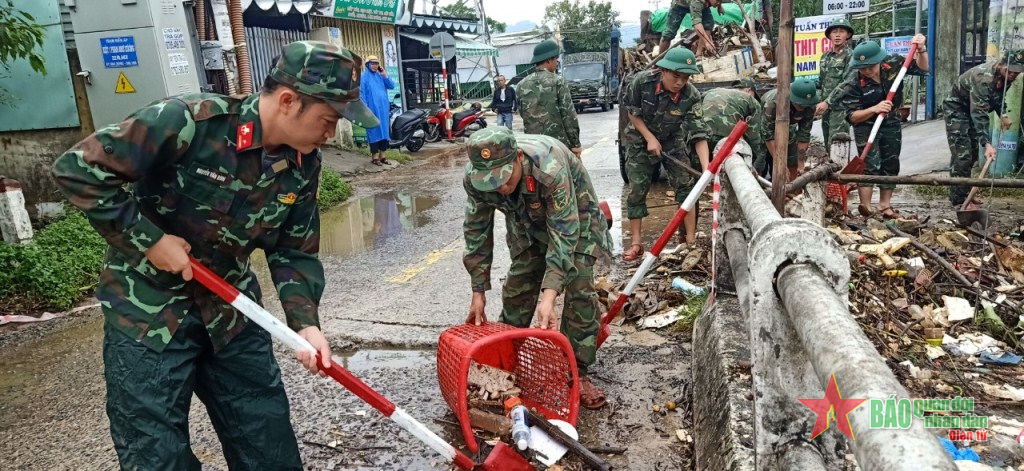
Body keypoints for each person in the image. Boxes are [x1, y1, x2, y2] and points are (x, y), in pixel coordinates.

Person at [50, 41, 379, 469]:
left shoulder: (303, 165)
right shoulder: (189, 122)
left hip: (231, 311)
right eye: (328, 120)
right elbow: (78, 169)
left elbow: (293, 250)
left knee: (268, 443)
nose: (330, 134)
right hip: (148, 313)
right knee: (155, 454)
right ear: (287, 101)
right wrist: (150, 240)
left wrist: (307, 325)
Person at [462, 127, 613, 410]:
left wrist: (549, 296)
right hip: (525, 221)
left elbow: (564, 233)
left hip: (576, 220)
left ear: (518, 157)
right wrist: (478, 290)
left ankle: (577, 371)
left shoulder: (549, 169)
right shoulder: (476, 179)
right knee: (518, 287)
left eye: (504, 178)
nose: (499, 188)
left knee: (579, 290)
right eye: (491, 183)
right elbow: (476, 231)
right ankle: (505, 361)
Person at [621, 47, 711, 262]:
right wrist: (649, 138)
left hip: (672, 139)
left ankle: (690, 241)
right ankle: (636, 244)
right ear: (663, 70)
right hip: (639, 139)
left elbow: (698, 133)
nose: (680, 82)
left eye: (685, 78)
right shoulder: (641, 82)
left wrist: (707, 168)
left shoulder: (691, 95)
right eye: (676, 76)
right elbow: (632, 114)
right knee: (637, 189)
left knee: (686, 187)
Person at [839, 36, 929, 219]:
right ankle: (866, 207)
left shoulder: (894, 63)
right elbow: (852, 116)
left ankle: (885, 205)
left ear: (879, 61)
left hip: (892, 120)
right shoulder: (852, 83)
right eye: (862, 68)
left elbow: (922, 68)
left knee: (891, 162)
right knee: (869, 165)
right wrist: (874, 109)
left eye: (871, 67)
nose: (867, 71)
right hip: (866, 125)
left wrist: (921, 50)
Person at [943, 50, 1024, 209]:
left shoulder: (1006, 77)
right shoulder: (984, 78)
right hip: (957, 109)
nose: (1013, 75)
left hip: (971, 110)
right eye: (1010, 71)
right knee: (962, 154)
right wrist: (987, 144)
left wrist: (1003, 114)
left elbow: (998, 97)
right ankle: (959, 200)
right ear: (1001, 64)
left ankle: (964, 193)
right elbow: (979, 113)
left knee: (972, 153)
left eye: (1017, 72)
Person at [517, 39, 582, 158]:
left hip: (533, 147)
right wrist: (575, 143)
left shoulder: (521, 85)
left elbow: (522, 112)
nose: (557, 62)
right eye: (556, 59)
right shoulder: (558, 81)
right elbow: (568, 115)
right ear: (548, 60)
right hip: (557, 145)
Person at [758, 78, 820, 181]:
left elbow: (804, 135)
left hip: (788, 124)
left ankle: (789, 185)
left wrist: (801, 163)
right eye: (800, 104)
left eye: (805, 104)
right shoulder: (773, 103)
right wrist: (780, 163)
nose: (803, 106)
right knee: (763, 158)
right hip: (766, 122)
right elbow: (767, 135)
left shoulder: (810, 105)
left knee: (791, 157)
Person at [701, 77, 764, 167]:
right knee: (732, 167)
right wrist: (758, 164)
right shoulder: (751, 99)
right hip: (727, 139)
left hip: (702, 135)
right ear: (749, 90)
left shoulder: (712, 91)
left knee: (701, 170)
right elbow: (754, 137)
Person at [816, 18, 856, 148]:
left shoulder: (851, 56)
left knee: (838, 146)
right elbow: (821, 82)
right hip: (826, 109)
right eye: (834, 32)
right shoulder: (825, 56)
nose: (837, 35)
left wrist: (828, 102)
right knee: (828, 145)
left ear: (848, 35)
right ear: (829, 35)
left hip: (841, 108)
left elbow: (847, 83)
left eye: (842, 31)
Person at [360, 54, 396, 166]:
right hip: (371, 109)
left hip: (383, 109)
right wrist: (365, 108)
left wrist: (385, 75)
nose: (375, 66)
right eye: (373, 64)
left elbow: (391, 86)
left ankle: (382, 156)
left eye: (376, 64)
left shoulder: (380, 76)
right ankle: (374, 157)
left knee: (384, 132)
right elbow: (362, 94)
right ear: (367, 65)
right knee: (373, 132)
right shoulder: (363, 77)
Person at [659, 0, 725, 58]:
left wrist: (719, 6)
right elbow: (697, 24)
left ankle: (699, 55)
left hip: (699, 4)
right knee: (668, 33)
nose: (718, 2)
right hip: (679, 4)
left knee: (708, 24)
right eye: (717, 0)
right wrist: (707, 42)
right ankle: (660, 60)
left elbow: (717, 2)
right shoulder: (697, 1)